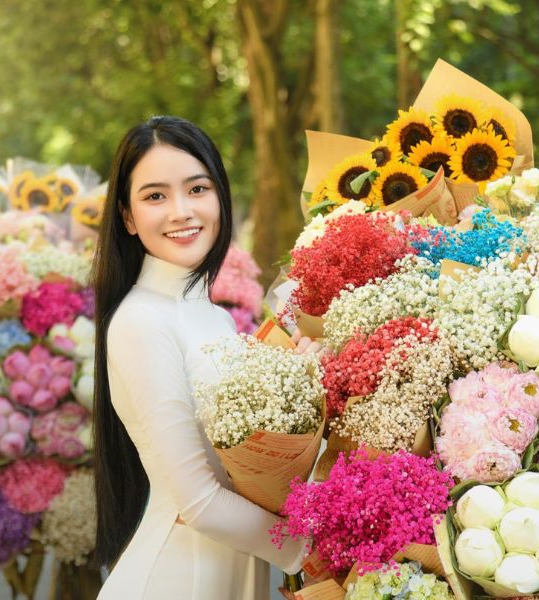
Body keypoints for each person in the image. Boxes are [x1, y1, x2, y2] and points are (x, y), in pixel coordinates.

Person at [92, 116, 318, 599]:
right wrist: (310, 550)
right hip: (177, 581)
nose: (181, 211)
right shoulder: (140, 322)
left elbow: (252, 462)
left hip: (238, 576)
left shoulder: (213, 318)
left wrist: (305, 382)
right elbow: (196, 499)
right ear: (128, 218)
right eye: (155, 196)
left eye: (197, 188)